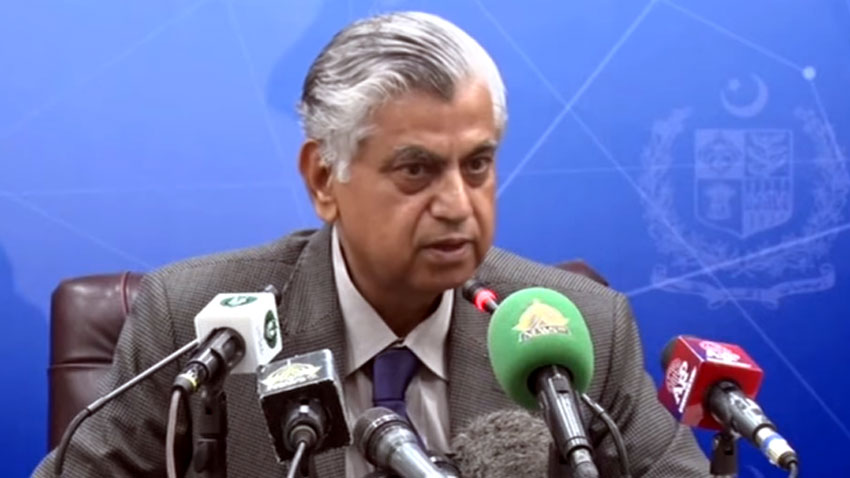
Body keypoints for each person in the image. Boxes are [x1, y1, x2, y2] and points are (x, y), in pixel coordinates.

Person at [33, 11, 709, 477]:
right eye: (416, 170)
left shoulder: (581, 329)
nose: (457, 204)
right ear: (324, 178)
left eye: (477, 164)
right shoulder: (191, 323)